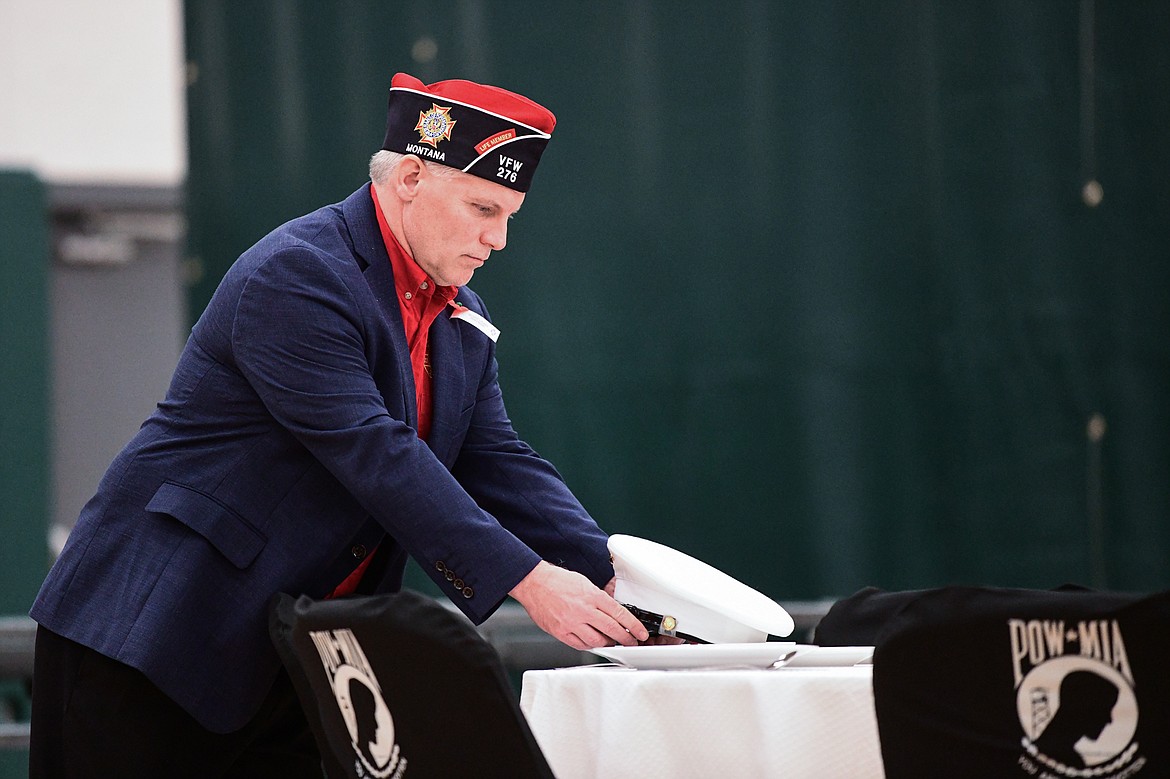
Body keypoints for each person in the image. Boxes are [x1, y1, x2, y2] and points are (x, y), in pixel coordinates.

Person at [28, 71, 649, 777]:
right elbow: (377, 452)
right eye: (483, 208)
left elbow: (497, 458)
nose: (498, 238)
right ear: (411, 176)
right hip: (153, 635)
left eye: (509, 215)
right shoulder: (298, 274)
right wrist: (531, 580)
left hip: (288, 654)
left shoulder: (458, 314)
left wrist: (623, 587)